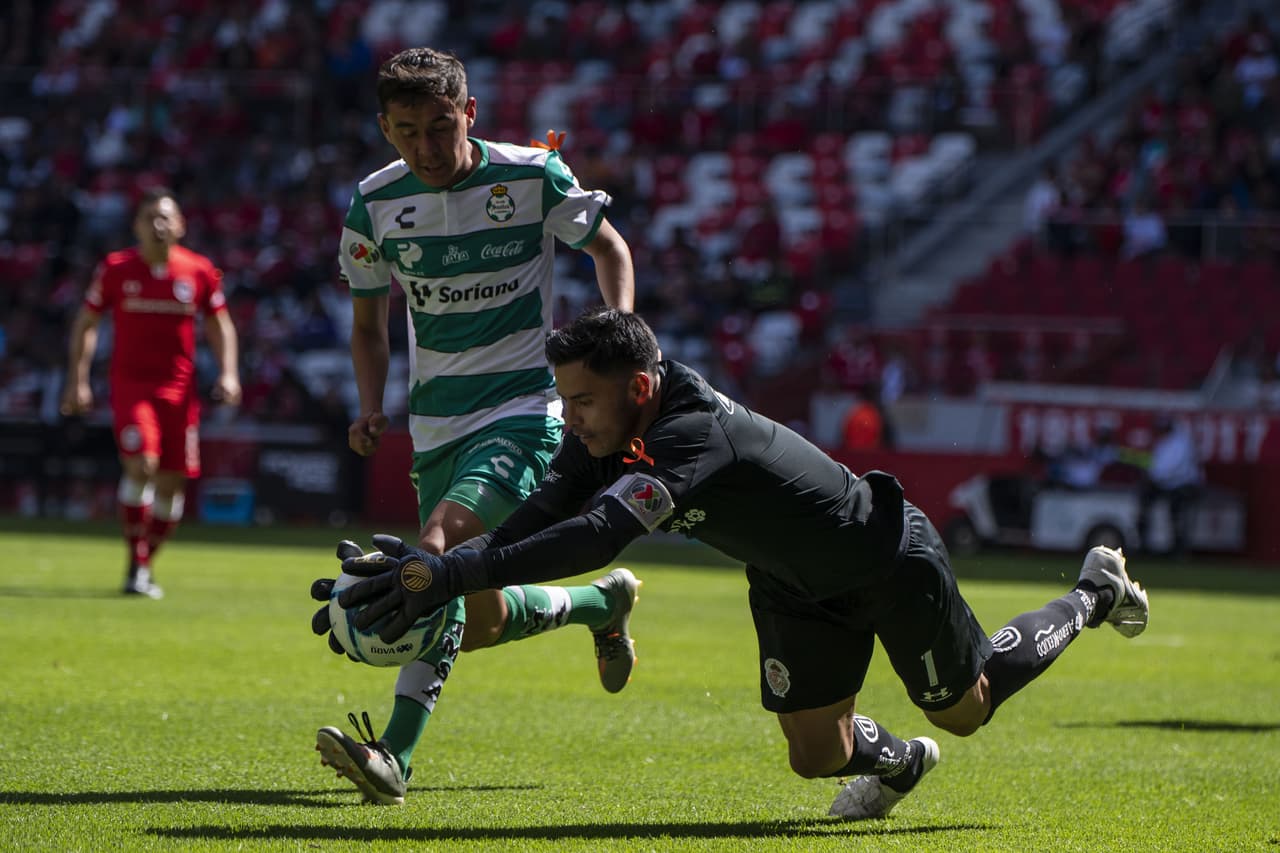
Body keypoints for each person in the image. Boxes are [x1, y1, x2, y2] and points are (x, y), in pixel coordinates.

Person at [323, 308, 1151, 819]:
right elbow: (545, 514)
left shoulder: (690, 435)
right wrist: (441, 565)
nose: (568, 418)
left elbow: (597, 538)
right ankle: (899, 762)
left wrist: (456, 578)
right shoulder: (605, 431)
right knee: (815, 757)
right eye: (564, 400)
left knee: (965, 711)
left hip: (885, 558)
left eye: (579, 400)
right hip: (794, 585)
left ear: (640, 385)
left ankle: (1090, 590)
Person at [310, 46, 638, 806]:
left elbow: (608, 247)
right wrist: (370, 402)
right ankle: (601, 603)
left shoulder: (532, 173)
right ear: (386, 130)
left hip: (524, 408)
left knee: (433, 556)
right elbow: (369, 323)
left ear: (470, 114)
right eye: (406, 131)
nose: (426, 147)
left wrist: (616, 341)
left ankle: (393, 755)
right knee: (478, 617)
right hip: (437, 425)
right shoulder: (374, 205)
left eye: (440, 125)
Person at [60, 186, 241, 599]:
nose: (158, 225)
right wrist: (78, 379)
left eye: (165, 217)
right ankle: (136, 566)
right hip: (132, 387)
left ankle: (142, 565)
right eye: (149, 218)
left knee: (172, 488)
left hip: (180, 393)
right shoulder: (115, 269)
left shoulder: (198, 271)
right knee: (142, 463)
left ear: (180, 225)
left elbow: (220, 324)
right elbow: (87, 323)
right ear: (136, 226)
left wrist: (229, 373)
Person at [1138, 415, 1202, 557]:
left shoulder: (1182, 443)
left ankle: (1178, 548)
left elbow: (1172, 469)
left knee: (1176, 510)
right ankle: (1143, 543)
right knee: (1144, 502)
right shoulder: (1163, 443)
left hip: (1183, 484)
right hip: (1166, 484)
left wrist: (1153, 476)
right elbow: (1156, 465)